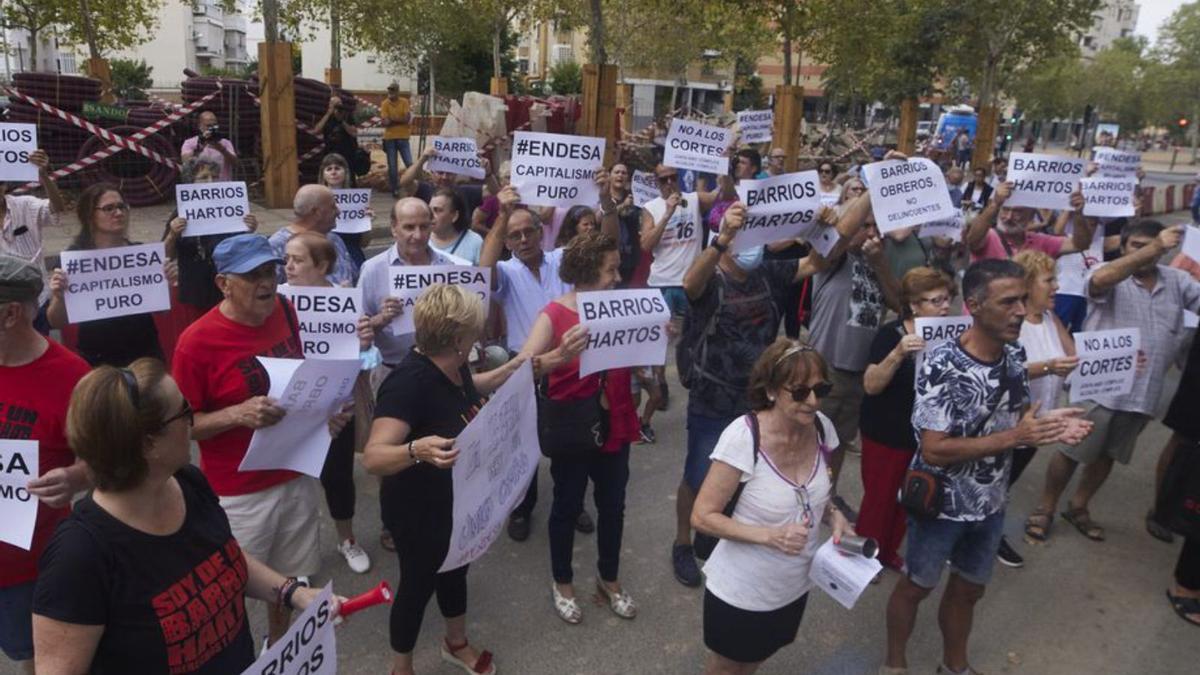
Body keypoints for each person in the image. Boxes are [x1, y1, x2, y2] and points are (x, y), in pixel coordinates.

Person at [31, 359, 339, 674]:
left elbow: (224, 558)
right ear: (148, 444)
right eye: (183, 412)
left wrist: (294, 593)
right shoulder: (79, 555)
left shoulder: (187, 482)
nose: (192, 422)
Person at [881, 259, 1092, 675]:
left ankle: (955, 666)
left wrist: (1052, 423)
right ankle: (895, 663)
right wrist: (1017, 438)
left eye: (1022, 299)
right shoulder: (942, 365)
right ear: (974, 305)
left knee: (969, 591)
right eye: (1008, 301)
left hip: (991, 503)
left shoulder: (1014, 353)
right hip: (941, 506)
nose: (1020, 310)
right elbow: (935, 449)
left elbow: (1012, 420)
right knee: (916, 587)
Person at [670, 196, 872, 587]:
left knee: (743, 479)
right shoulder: (711, 278)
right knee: (698, 476)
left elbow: (820, 260)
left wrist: (850, 205)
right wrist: (723, 240)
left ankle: (718, 536)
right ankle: (683, 541)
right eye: (740, 237)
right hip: (713, 399)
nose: (751, 247)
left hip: (758, 400)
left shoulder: (767, 273)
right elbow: (689, 284)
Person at [172, 233, 349, 645]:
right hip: (239, 493)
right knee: (231, 588)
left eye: (270, 270)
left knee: (289, 583)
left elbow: (300, 380)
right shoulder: (195, 343)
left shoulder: (285, 309)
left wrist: (325, 417)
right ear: (223, 284)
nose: (266, 282)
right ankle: (235, 657)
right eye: (252, 275)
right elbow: (181, 426)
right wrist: (237, 413)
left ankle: (278, 645)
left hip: (295, 473)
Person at [363, 284, 522, 675]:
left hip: (456, 500)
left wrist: (509, 372)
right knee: (417, 587)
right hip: (418, 510)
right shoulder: (407, 383)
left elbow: (468, 389)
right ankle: (401, 669)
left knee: (456, 569)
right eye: (475, 328)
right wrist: (416, 450)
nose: (481, 332)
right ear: (456, 338)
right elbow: (373, 456)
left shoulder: (454, 362)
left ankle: (456, 644)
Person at [1029, 222, 1198, 543]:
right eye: (1137, 245)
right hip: (1099, 387)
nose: (1146, 252)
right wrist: (1155, 248)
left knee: (1109, 454)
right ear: (1123, 247)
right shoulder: (1107, 274)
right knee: (1071, 450)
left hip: (1144, 391)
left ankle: (1079, 506)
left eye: (1152, 245)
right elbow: (1101, 281)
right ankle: (1045, 508)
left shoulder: (1177, 281)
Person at [691, 338, 849, 674]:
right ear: (772, 390)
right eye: (800, 391)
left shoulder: (822, 429)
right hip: (742, 591)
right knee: (727, 665)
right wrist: (770, 536)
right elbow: (702, 516)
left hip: (793, 584)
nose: (813, 401)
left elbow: (817, 496)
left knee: (756, 659)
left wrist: (834, 517)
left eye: (821, 389)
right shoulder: (744, 437)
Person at [516, 232, 642, 624]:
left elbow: (631, 353)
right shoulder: (553, 315)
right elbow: (521, 368)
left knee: (614, 506)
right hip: (573, 424)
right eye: (610, 270)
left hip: (615, 420)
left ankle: (609, 578)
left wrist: (654, 335)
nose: (617, 277)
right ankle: (563, 582)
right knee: (567, 506)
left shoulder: (620, 307)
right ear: (586, 272)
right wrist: (560, 355)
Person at [478, 191, 594, 541]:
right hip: (524, 368)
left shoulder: (563, 259)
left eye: (529, 231)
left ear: (541, 231)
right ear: (507, 240)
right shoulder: (506, 272)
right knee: (522, 444)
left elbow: (606, 245)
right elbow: (482, 273)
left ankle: (571, 504)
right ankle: (521, 507)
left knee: (569, 443)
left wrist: (605, 200)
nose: (524, 239)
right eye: (515, 235)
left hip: (571, 363)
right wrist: (502, 217)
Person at [0, 256, 90, 675]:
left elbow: (109, 460)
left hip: (29, 569)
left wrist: (77, 476)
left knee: (38, 663)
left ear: (10, 314)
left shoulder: (73, 378)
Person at [283, 232, 375, 574]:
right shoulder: (277, 303)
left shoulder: (344, 302)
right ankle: (297, 557)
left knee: (338, 478)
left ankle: (346, 539)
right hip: (292, 409)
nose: (288, 266)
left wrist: (364, 344)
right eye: (287, 259)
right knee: (294, 485)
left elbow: (364, 361)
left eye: (297, 260)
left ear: (322, 265)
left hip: (338, 409)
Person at [807, 184, 902, 501]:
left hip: (859, 373)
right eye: (865, 226)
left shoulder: (878, 262)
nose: (872, 233)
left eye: (877, 227)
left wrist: (880, 264)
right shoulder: (834, 259)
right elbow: (835, 241)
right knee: (810, 438)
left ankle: (827, 497)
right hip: (826, 367)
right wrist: (876, 184)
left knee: (839, 441)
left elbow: (900, 304)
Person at [858, 267, 955, 572]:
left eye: (946, 299)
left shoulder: (951, 335)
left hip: (923, 435)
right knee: (879, 499)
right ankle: (864, 558)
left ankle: (887, 553)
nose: (944, 307)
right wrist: (899, 353)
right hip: (886, 432)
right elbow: (871, 384)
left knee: (908, 498)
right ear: (914, 305)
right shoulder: (891, 334)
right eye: (935, 301)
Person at [991, 250, 1079, 566]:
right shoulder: (1011, 324)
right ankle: (982, 537)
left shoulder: (1051, 319)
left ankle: (984, 533)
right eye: (1049, 280)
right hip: (1009, 424)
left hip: (1036, 425)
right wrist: (1047, 367)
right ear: (1028, 284)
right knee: (994, 482)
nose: (1056, 286)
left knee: (1004, 483)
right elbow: (1002, 369)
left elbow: (1072, 361)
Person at [46, 184, 167, 366]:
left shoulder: (141, 255)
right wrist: (59, 296)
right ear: (89, 215)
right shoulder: (72, 261)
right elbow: (56, 322)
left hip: (145, 355)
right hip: (98, 358)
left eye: (121, 206)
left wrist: (164, 282)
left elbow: (161, 310)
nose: (118, 213)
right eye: (108, 208)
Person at [163, 158, 260, 315]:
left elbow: (243, 252)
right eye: (203, 177)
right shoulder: (181, 214)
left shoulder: (232, 209)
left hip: (227, 289)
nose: (210, 182)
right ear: (190, 183)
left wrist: (249, 230)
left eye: (214, 177)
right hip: (195, 291)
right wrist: (172, 234)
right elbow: (165, 256)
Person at [0, 149, 65, 320]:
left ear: (5, 187)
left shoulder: (25, 205)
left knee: (39, 344)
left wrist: (43, 175)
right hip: (2, 306)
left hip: (36, 300)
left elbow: (56, 209)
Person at [964, 183, 1093, 262]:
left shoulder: (1042, 242)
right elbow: (972, 240)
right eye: (1005, 210)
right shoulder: (988, 237)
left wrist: (1078, 213)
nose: (1008, 217)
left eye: (1017, 212)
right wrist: (995, 204)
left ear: (1031, 215)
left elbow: (1080, 245)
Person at [267, 184, 359, 286]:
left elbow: (354, 278)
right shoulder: (276, 245)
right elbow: (269, 290)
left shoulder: (335, 239)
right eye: (333, 207)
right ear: (316, 212)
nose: (338, 211)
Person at [317, 152, 371, 269]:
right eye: (329, 169)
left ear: (345, 172)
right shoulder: (315, 200)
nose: (333, 172)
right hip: (327, 262)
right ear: (323, 174)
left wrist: (367, 222)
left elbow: (364, 243)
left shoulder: (358, 201)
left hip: (353, 259)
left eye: (337, 168)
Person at [430, 187, 484, 264]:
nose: (430, 215)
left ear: (455, 216)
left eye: (438, 210)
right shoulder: (420, 239)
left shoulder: (475, 242)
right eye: (429, 210)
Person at [180, 111, 237, 181]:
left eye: (214, 126)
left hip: (222, 186)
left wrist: (222, 149)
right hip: (200, 185)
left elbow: (235, 163)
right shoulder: (190, 143)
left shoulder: (226, 143)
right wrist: (200, 146)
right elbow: (185, 162)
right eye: (208, 126)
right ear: (200, 126)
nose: (212, 129)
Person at [381, 82, 413, 197]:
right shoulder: (384, 103)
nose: (391, 92)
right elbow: (385, 122)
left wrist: (392, 120)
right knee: (392, 166)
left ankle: (414, 185)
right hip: (390, 138)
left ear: (397, 91)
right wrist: (399, 120)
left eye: (393, 90)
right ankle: (395, 188)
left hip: (403, 137)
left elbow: (407, 118)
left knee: (409, 163)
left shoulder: (404, 102)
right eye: (390, 90)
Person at [315, 96, 359, 179]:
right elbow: (316, 130)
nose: (338, 106)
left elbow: (354, 133)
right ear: (329, 105)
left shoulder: (347, 115)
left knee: (348, 175)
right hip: (330, 151)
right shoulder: (326, 116)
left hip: (346, 151)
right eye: (335, 104)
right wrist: (328, 113)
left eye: (339, 104)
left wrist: (341, 121)